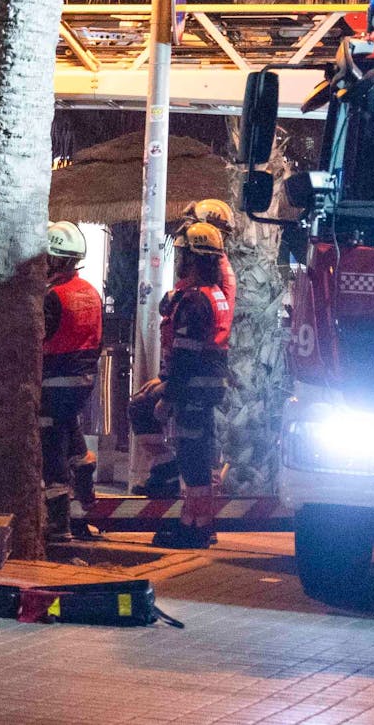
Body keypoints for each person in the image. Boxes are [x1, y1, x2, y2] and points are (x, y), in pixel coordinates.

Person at [151, 222, 233, 548]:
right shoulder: (214, 294)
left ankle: (195, 528)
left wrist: (168, 397)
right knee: (199, 455)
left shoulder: (196, 301)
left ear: (194, 258)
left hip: (192, 391)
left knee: (193, 460)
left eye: (183, 254)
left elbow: (185, 356)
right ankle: (197, 524)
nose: (180, 260)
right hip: (207, 388)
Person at [39, 221, 104, 542]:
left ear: (57, 259)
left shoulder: (53, 297)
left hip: (54, 382)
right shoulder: (91, 292)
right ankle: (81, 505)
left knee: (52, 451)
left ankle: (60, 525)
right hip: (84, 381)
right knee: (69, 430)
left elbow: (41, 336)